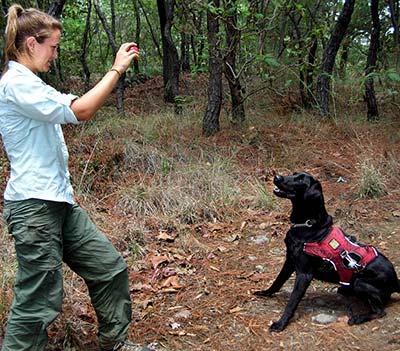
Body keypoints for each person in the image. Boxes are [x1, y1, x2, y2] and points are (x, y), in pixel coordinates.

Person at [0, 4, 139, 351]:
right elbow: (82, 110)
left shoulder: (31, 83)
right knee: (39, 300)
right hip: (33, 208)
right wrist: (116, 69)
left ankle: (113, 342)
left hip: (57, 202)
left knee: (109, 268)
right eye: (53, 47)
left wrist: (65, 192)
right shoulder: (16, 83)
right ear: (32, 44)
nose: (55, 55)